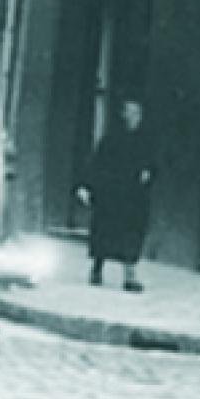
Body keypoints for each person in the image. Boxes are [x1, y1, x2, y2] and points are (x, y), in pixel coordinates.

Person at [78, 98, 153, 292]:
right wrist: (86, 186)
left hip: (133, 197)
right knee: (104, 233)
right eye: (129, 112)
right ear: (123, 115)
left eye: (137, 113)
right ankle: (97, 269)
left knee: (131, 235)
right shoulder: (112, 139)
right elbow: (97, 163)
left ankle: (129, 276)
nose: (133, 117)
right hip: (110, 194)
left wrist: (148, 172)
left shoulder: (146, 140)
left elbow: (152, 163)